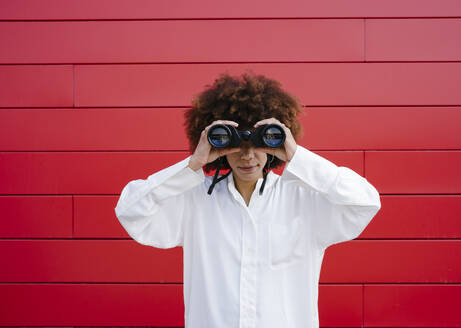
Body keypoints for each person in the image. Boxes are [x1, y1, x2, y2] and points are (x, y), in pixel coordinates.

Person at [114, 71, 381, 328]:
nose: (247, 156)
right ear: (219, 148)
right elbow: (131, 210)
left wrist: (297, 156)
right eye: (236, 146)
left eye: (258, 144)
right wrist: (192, 164)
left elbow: (365, 203)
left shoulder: (303, 200)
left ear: (274, 145)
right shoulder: (194, 201)